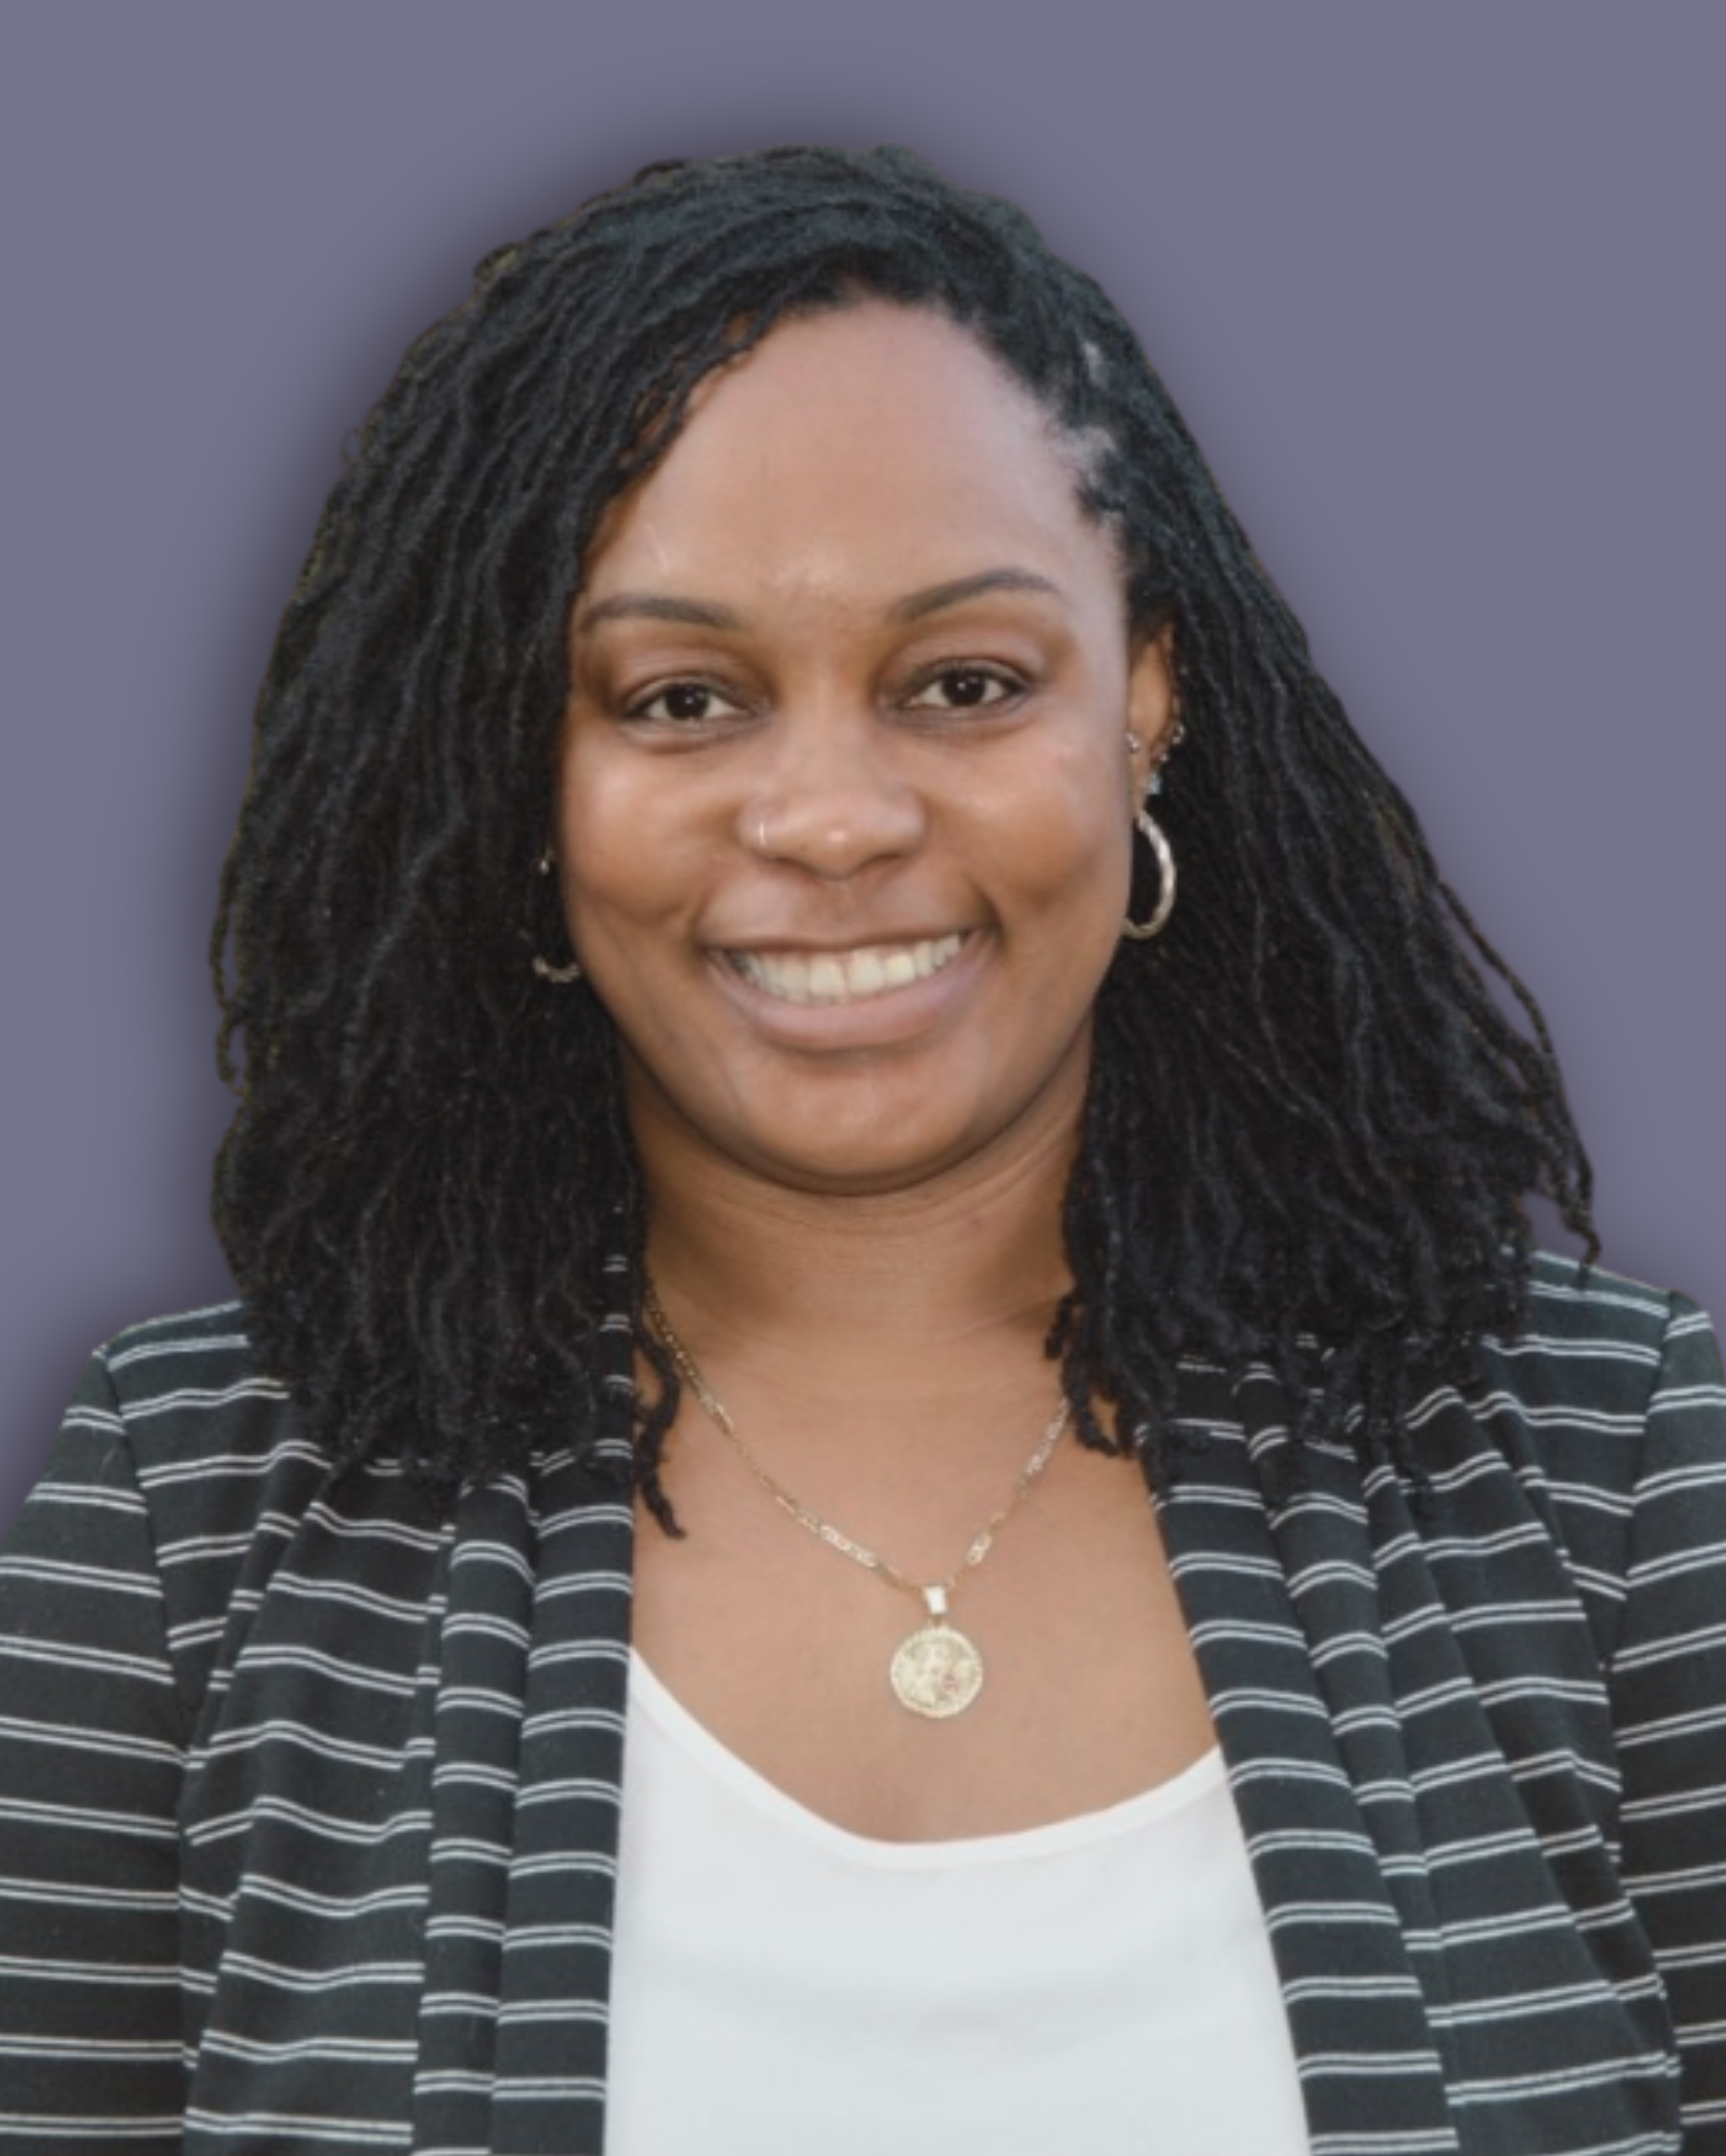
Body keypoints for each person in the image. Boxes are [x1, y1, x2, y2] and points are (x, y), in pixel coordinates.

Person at [0, 142, 1721, 2155]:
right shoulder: (199, 1509)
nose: (828, 817)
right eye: (682, 696)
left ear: (1145, 697)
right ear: (525, 779)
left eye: (964, 682)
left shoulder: (1607, 1473)